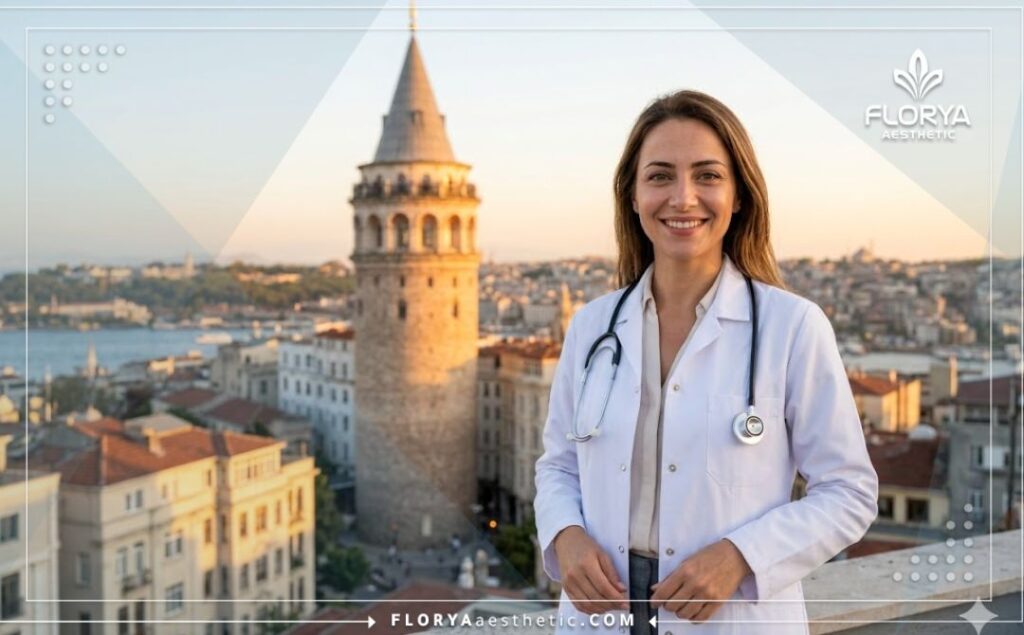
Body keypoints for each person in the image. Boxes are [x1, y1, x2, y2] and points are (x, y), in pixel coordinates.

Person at [533, 90, 878, 635]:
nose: (683, 197)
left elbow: (849, 492)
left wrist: (742, 556)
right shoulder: (591, 327)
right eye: (661, 176)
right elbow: (557, 466)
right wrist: (565, 537)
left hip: (729, 616)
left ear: (739, 195)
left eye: (708, 176)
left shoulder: (793, 327)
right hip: (600, 616)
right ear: (633, 195)